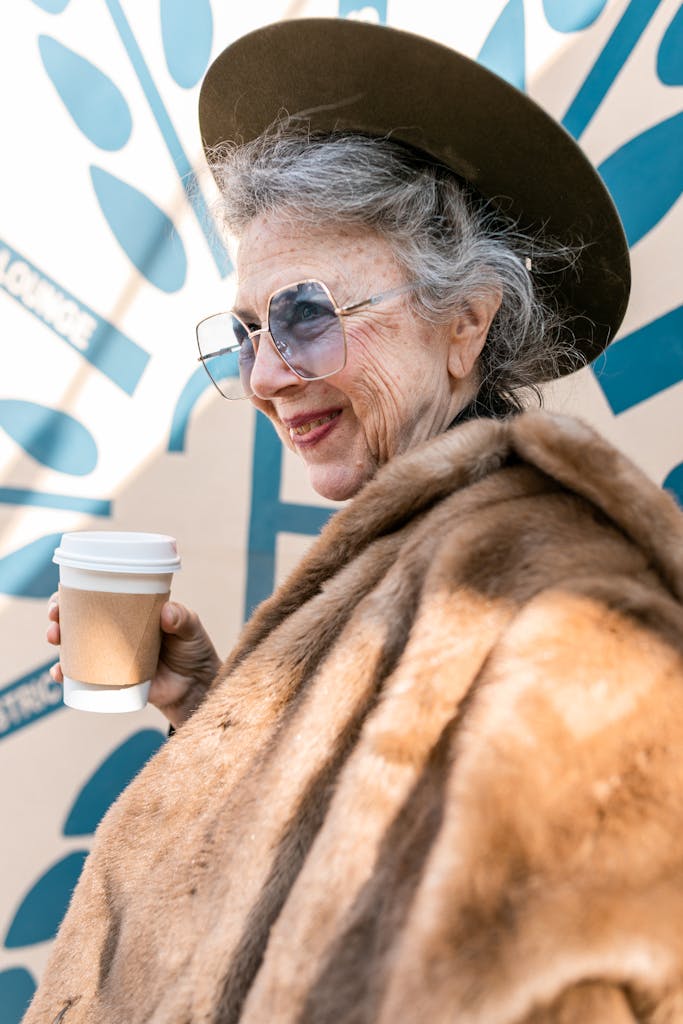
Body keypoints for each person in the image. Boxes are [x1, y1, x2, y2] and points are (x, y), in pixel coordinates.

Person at [31, 18, 683, 1024]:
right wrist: (211, 714)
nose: (260, 376)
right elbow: (330, 887)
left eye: (301, 316)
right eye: (247, 332)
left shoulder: (565, 603)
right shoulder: (408, 554)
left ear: (462, 321)